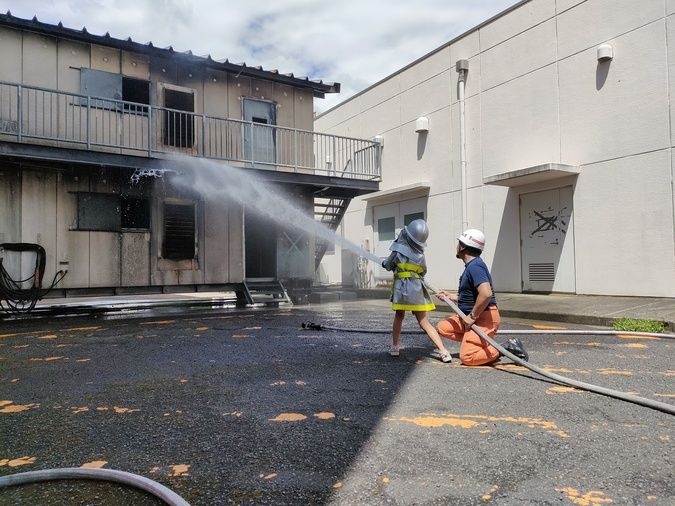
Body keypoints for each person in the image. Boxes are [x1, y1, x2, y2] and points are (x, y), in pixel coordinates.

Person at [435, 228, 528, 366]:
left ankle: (507, 347)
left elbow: (486, 293)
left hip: (483, 318)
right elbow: (473, 296)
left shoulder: (475, 267)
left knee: (467, 357)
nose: (457, 245)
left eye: (459, 242)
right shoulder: (472, 266)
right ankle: (481, 346)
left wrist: (472, 317)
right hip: (470, 317)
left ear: (463, 246)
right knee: (443, 328)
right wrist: (451, 296)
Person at [381, 219, 452, 363]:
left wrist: (386, 264)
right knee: (424, 321)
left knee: (399, 316)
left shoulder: (397, 250)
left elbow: (388, 265)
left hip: (402, 292)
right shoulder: (420, 255)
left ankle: (395, 347)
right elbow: (423, 271)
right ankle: (443, 351)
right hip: (417, 290)